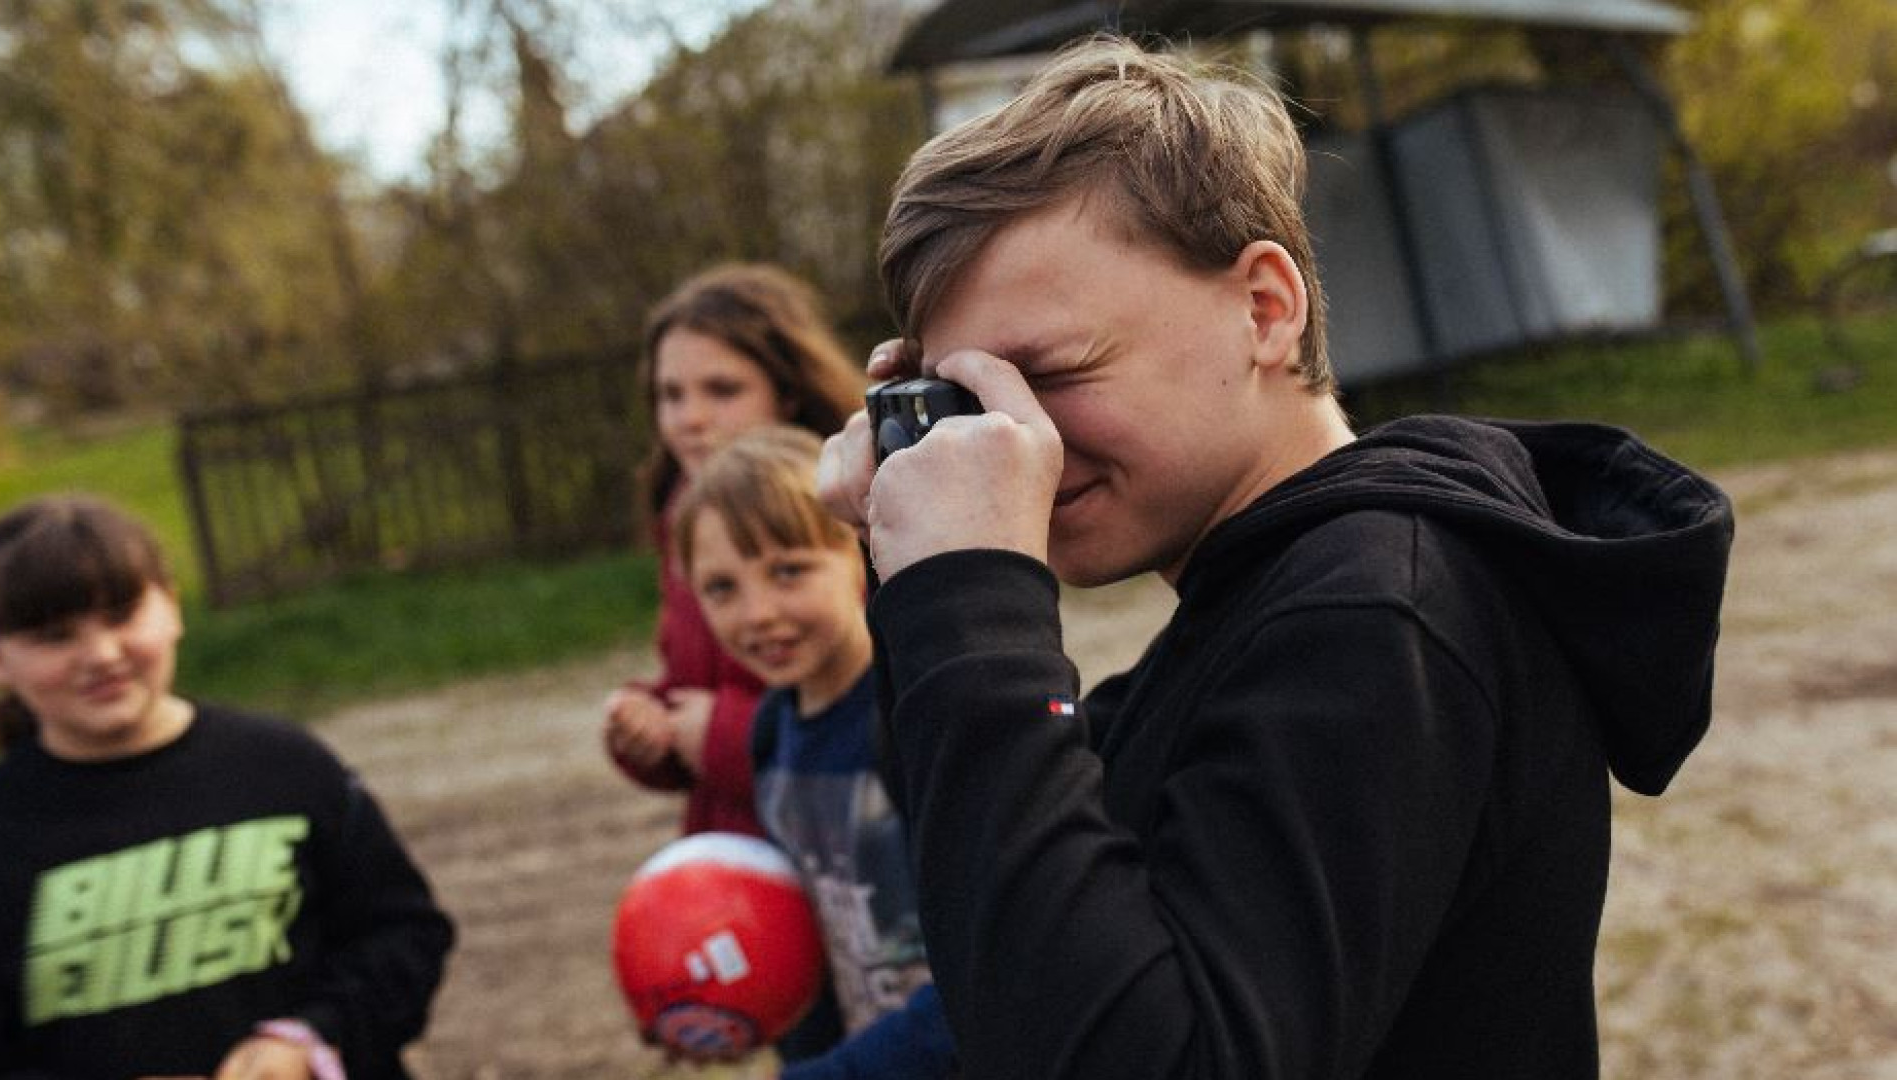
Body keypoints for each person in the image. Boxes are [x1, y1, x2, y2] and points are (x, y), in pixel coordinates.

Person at [816, 35, 1734, 1080]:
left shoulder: (1376, 611)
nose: (1009, 436)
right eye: (962, 397)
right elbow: (1015, 917)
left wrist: (970, 601)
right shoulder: (1273, 597)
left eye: (1053, 371)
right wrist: (915, 571)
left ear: (1264, 308)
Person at [0, 494, 456, 1080]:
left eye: (123, 615)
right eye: (55, 636)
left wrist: (309, 1040)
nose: (101, 654)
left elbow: (404, 935)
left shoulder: (284, 766)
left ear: (172, 606)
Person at [669, 426, 954, 1079]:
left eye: (788, 571)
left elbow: (991, 953)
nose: (758, 613)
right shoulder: (774, 731)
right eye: (722, 588)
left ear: (858, 553)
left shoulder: (912, 716)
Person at [604, 263, 868, 838]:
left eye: (722, 390)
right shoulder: (684, 517)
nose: (690, 419)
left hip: (834, 853)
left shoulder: (846, 514)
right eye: (670, 395)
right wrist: (649, 725)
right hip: (733, 850)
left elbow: (878, 732)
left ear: (788, 393)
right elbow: (694, 691)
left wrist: (725, 738)